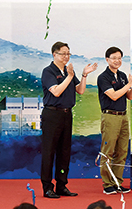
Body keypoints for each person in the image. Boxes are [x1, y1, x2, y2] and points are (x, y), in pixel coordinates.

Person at [41, 41, 98, 198]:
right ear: (54, 54)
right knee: (49, 152)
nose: (66, 56)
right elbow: (56, 92)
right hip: (52, 115)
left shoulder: (68, 71)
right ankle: (47, 187)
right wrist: (70, 76)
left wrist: (84, 75)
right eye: (63, 53)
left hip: (67, 114)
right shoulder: (48, 71)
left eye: (68, 53)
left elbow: (80, 90)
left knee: (64, 152)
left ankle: (61, 185)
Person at [97, 47, 132, 195]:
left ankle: (117, 182)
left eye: (120, 58)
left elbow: (129, 96)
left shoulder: (123, 75)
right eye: (114, 58)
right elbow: (114, 96)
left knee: (122, 151)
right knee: (108, 151)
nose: (117, 61)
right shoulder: (103, 77)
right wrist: (129, 83)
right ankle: (107, 184)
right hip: (110, 116)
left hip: (123, 116)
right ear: (107, 59)